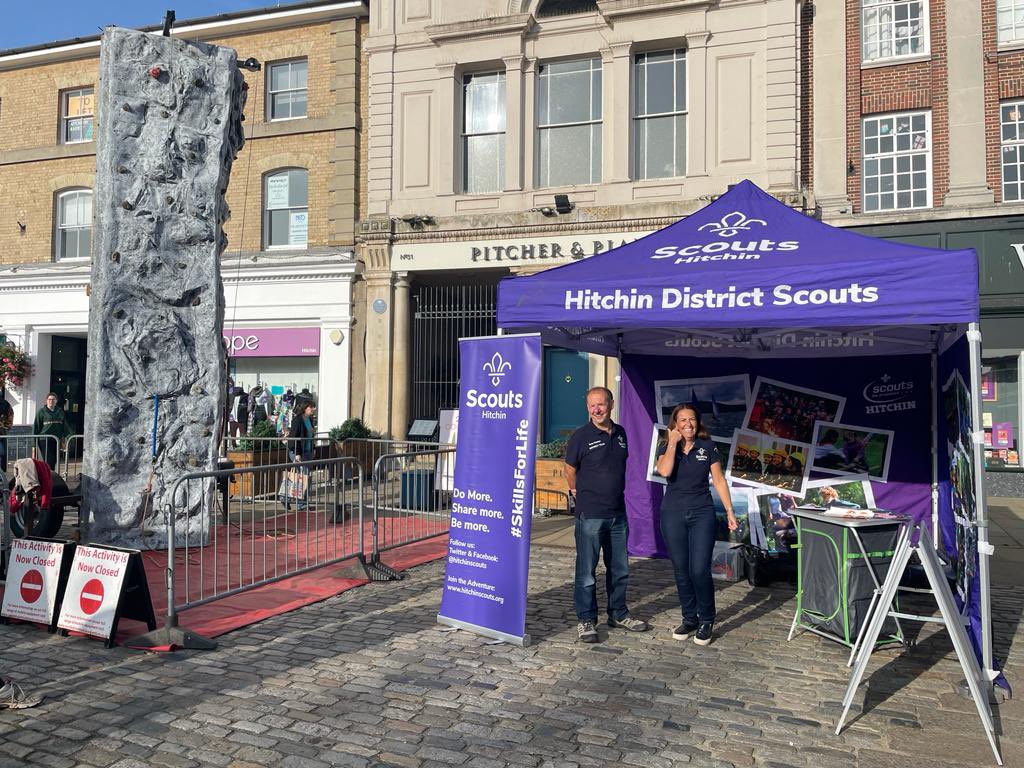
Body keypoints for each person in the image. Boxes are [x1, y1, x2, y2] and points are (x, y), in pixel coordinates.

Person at [564, 387, 648, 643]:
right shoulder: (581, 436)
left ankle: (618, 613)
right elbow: (569, 468)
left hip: (617, 514)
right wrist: (577, 491)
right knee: (587, 573)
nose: (596, 410)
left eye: (601, 404)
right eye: (592, 406)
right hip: (590, 515)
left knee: (620, 569)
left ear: (611, 404)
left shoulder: (620, 433)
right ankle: (587, 619)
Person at [655, 403, 738, 646]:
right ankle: (689, 618)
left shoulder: (708, 446)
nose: (688, 424)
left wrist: (730, 511)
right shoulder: (666, 446)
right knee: (681, 569)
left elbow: (720, 481)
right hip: (672, 514)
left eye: (691, 419)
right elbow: (665, 471)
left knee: (699, 570)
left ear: (697, 422)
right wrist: (671, 442)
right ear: (675, 424)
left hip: (702, 513)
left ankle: (706, 620)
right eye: (682, 420)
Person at [282, 399, 316, 510]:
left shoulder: (310, 420)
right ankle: (300, 503)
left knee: (304, 477)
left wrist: (313, 448)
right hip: (298, 451)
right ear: (305, 408)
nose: (314, 409)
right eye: (311, 407)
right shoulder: (298, 420)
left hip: (308, 452)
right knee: (302, 477)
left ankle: (285, 498)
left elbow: (311, 436)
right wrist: (297, 453)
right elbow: (294, 437)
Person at [33, 393, 71, 471]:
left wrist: (69, 436)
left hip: (56, 440)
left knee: (54, 461)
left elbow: (64, 426)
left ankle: (51, 477)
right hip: (44, 440)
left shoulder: (60, 411)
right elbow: (36, 428)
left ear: (56, 401)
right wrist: (34, 444)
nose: (51, 401)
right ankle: (49, 478)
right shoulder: (41, 412)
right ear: (46, 401)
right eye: (49, 399)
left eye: (53, 399)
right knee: (48, 461)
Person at [0, 386, 13, 475]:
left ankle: (2, 476)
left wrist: (5, 426)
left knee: (2, 454)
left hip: (1, 434)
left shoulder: (5, 404)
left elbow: (10, 416)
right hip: (2, 433)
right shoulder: (5, 403)